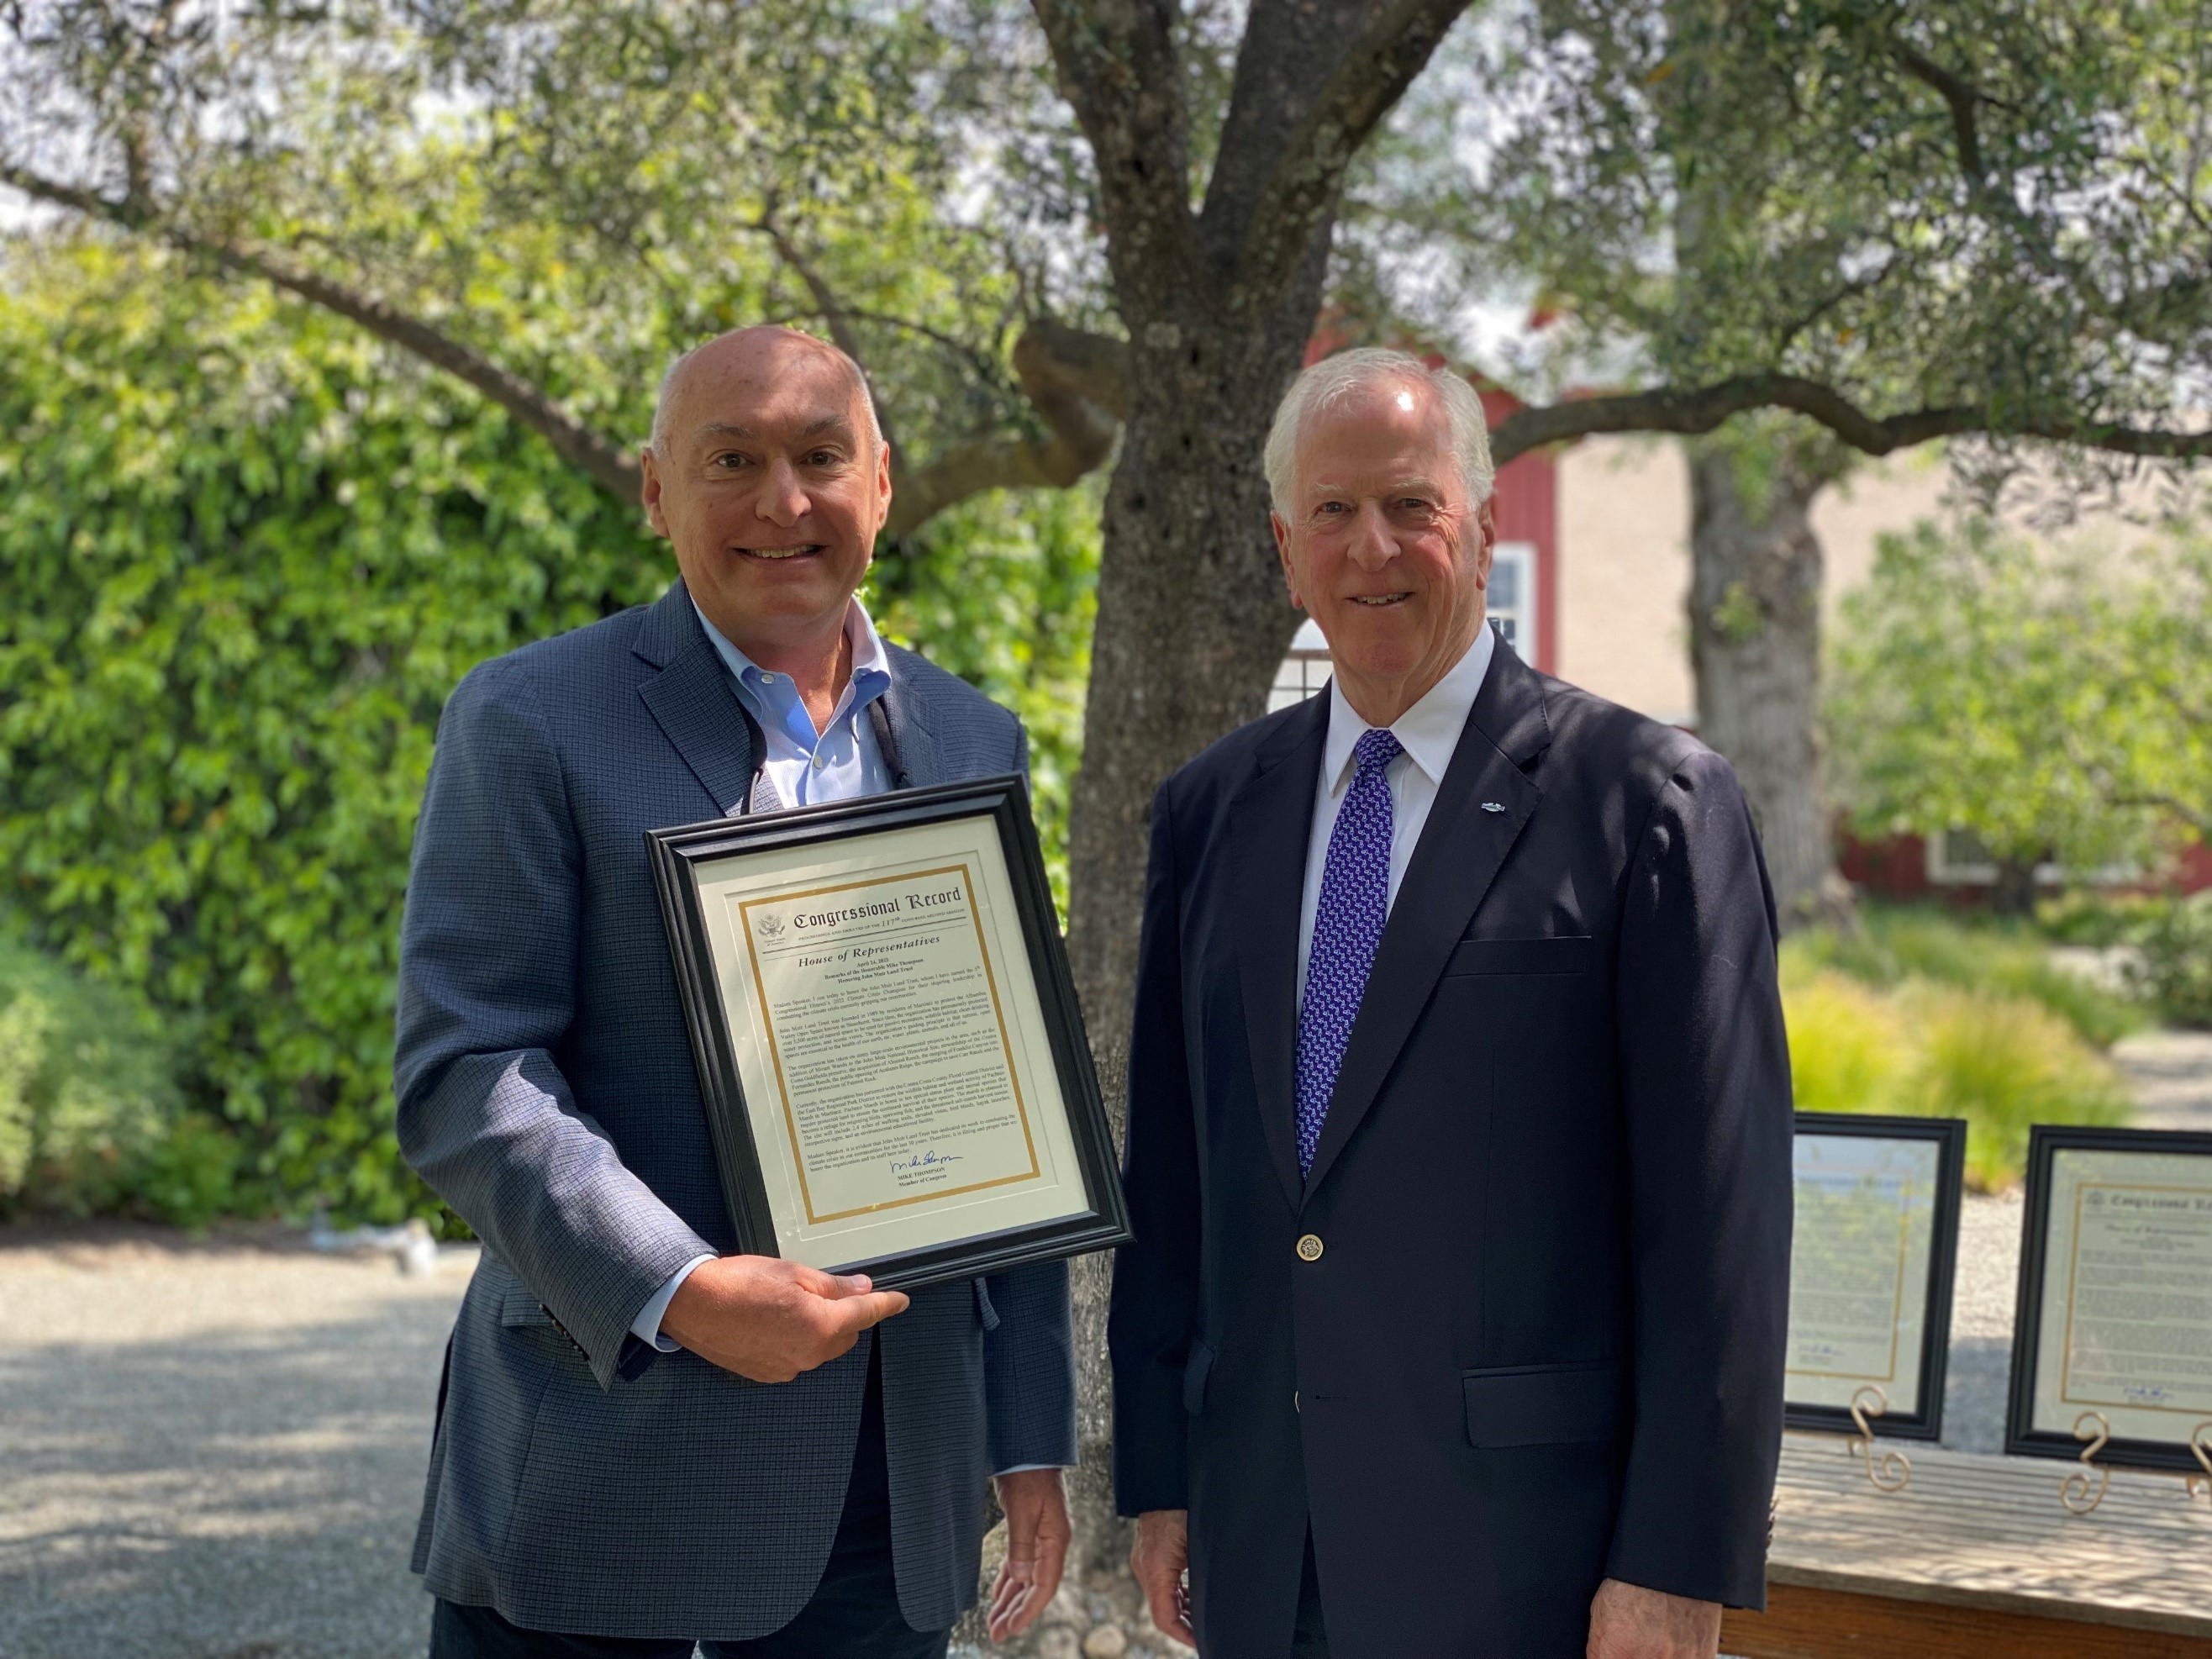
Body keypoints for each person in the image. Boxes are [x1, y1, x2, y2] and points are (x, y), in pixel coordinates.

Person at [395, 326, 1074, 1658]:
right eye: (731, 459)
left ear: (880, 482)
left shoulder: (968, 735)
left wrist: (1030, 1431)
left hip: (892, 1492)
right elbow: (468, 1071)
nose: (783, 500)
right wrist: (684, 1286)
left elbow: (1013, 1097)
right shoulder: (532, 719)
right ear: (657, 492)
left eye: (821, 456)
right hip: (607, 1469)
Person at [1107, 348, 1792, 1659]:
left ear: (1480, 525)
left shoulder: (1647, 806)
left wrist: (1674, 1563)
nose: (1373, 547)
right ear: (1285, 545)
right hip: (1266, 1531)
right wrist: (1162, 1472)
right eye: (1332, 511)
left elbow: (1719, 1233)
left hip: (1529, 1559)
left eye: (1411, 505)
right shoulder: (1211, 810)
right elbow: (1179, 1179)